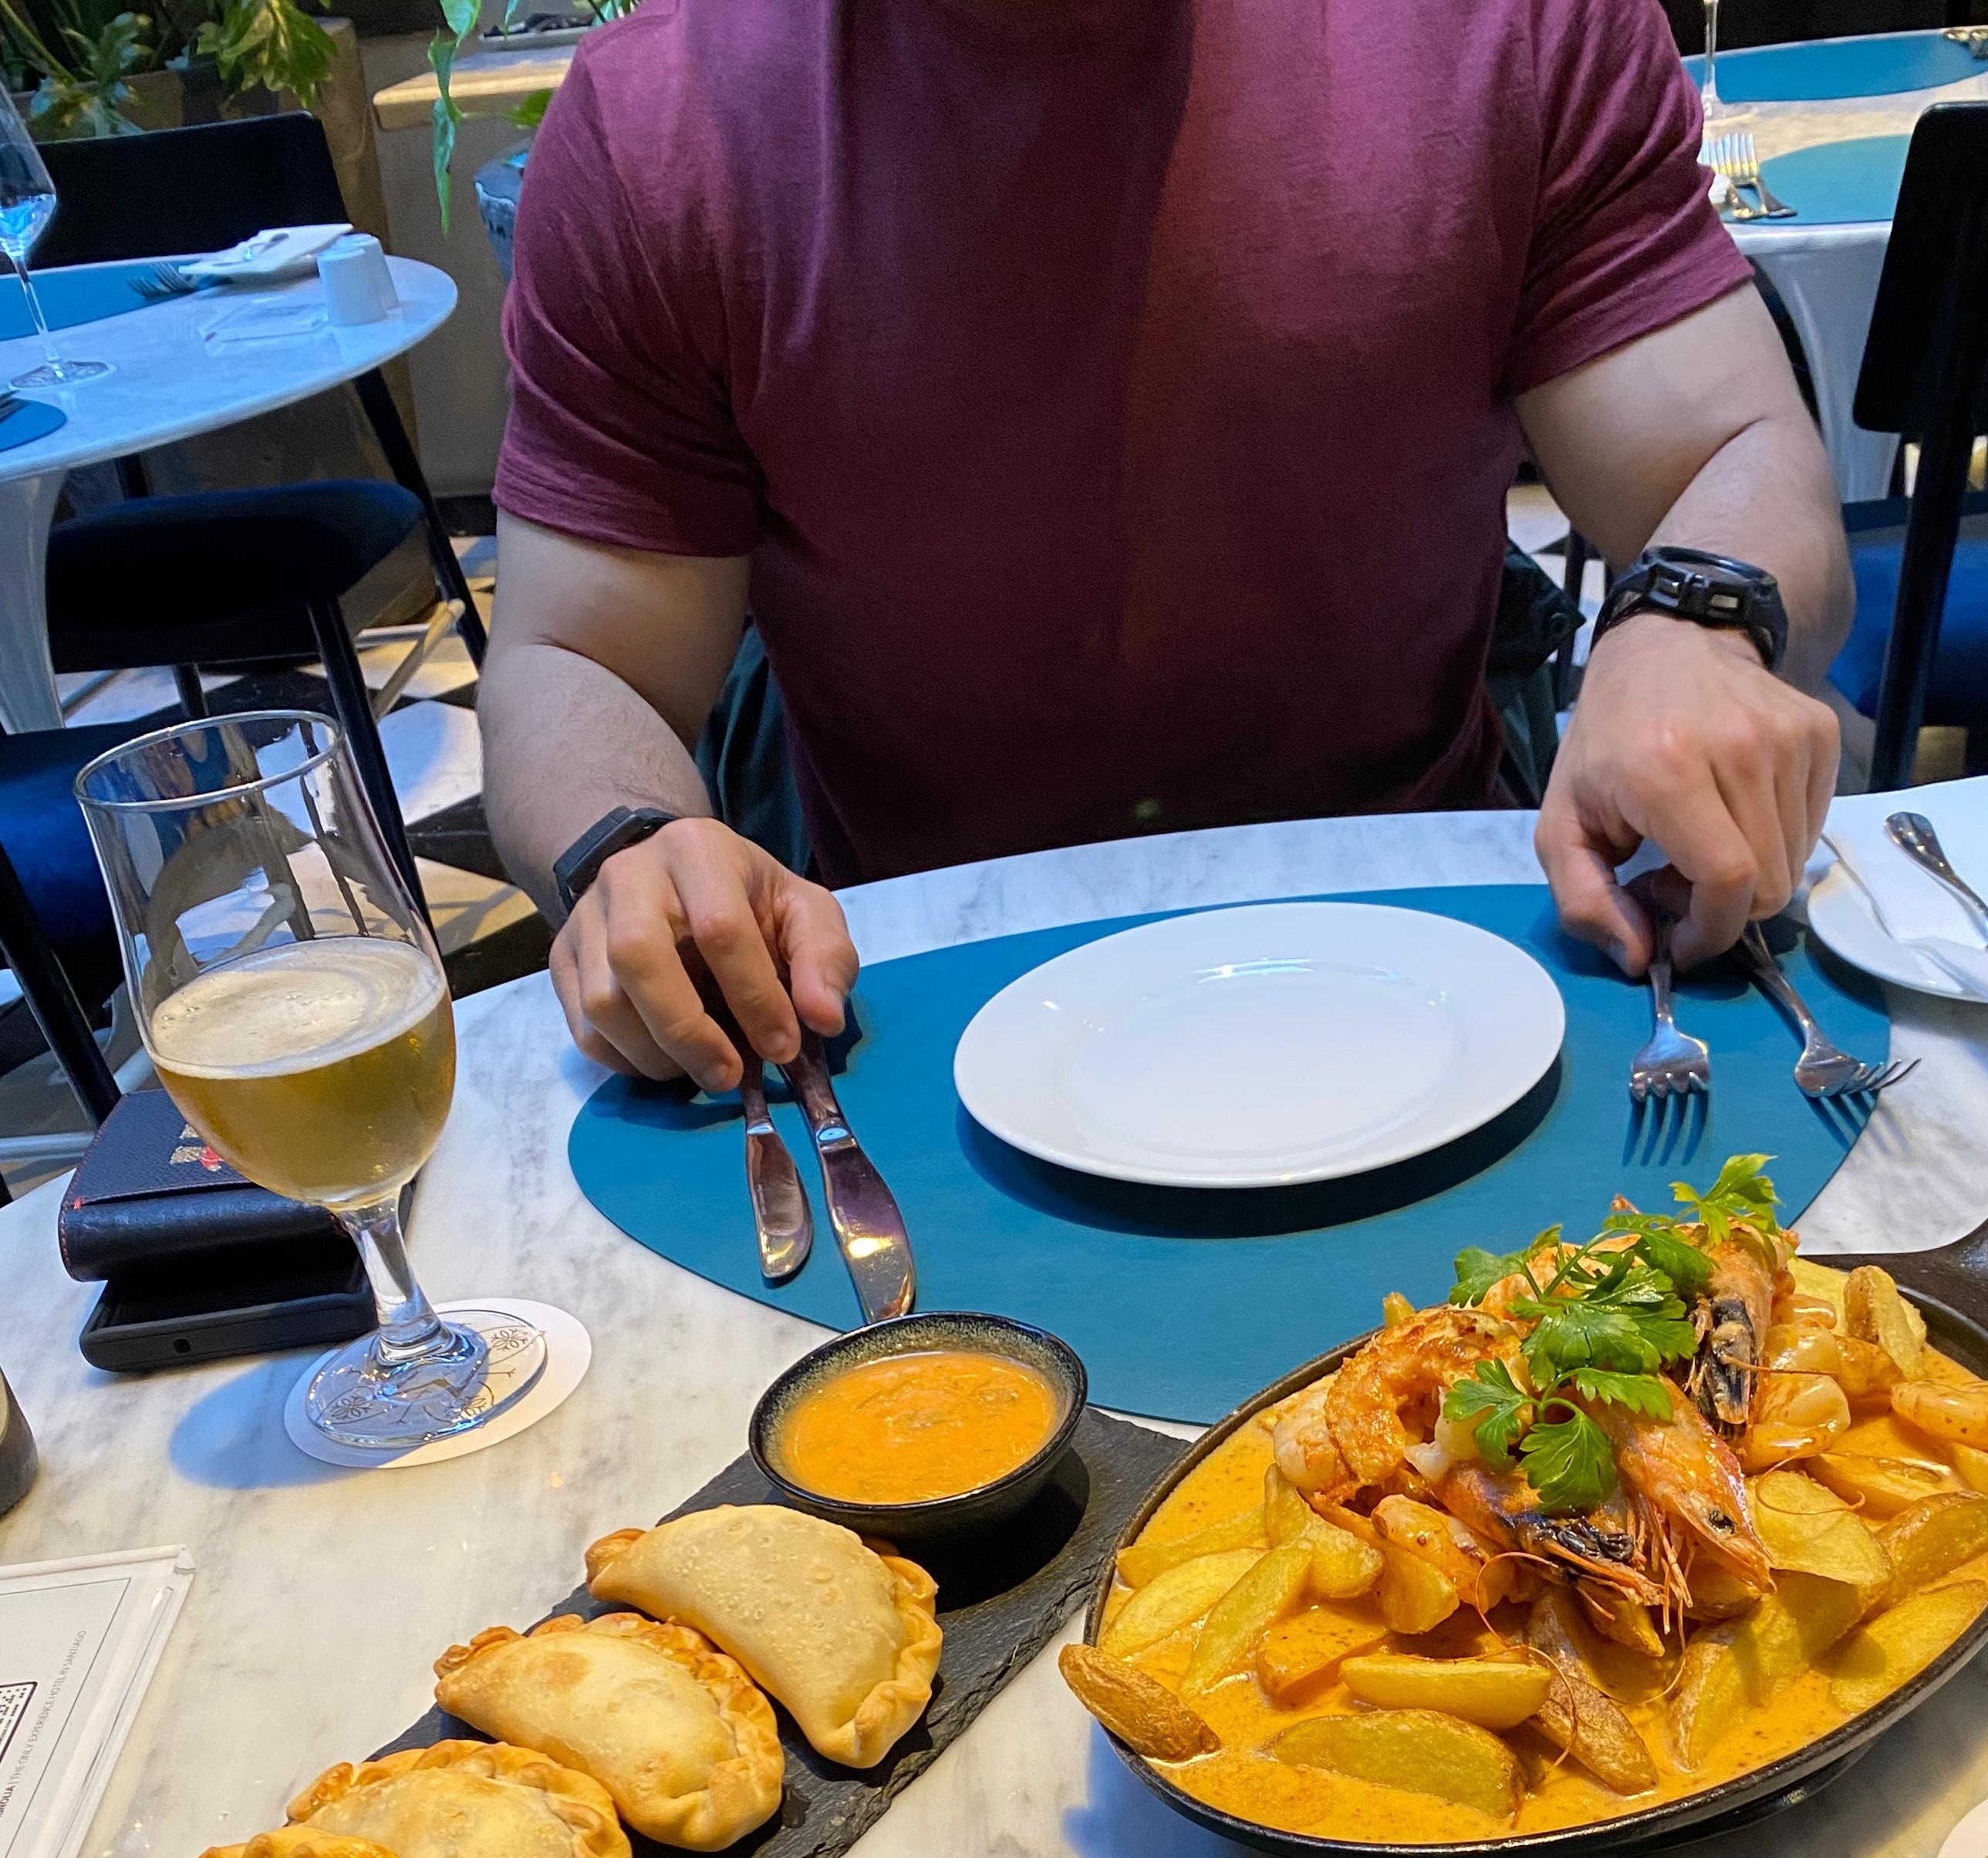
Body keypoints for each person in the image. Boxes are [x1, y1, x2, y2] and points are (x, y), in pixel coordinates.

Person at [481, 0, 1852, 1093]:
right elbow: (577, 656)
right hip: (909, 997)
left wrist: (1693, 624)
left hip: (1457, 922)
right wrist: (637, 845)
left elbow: (1727, 448)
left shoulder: (1514, 27)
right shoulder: (660, 126)